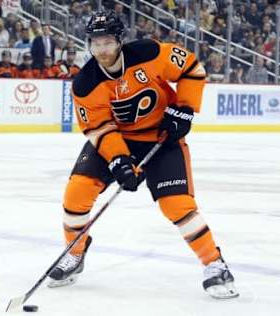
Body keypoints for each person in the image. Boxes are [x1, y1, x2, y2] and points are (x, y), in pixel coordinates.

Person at [47, 10, 239, 299]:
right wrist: (119, 159)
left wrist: (184, 109)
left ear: (120, 41)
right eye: (95, 43)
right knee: (76, 193)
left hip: (161, 138)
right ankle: (74, 253)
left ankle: (215, 264)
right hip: (117, 139)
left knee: (176, 205)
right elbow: (98, 128)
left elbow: (191, 68)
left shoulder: (149, 53)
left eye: (108, 42)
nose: (102, 50)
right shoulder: (85, 82)